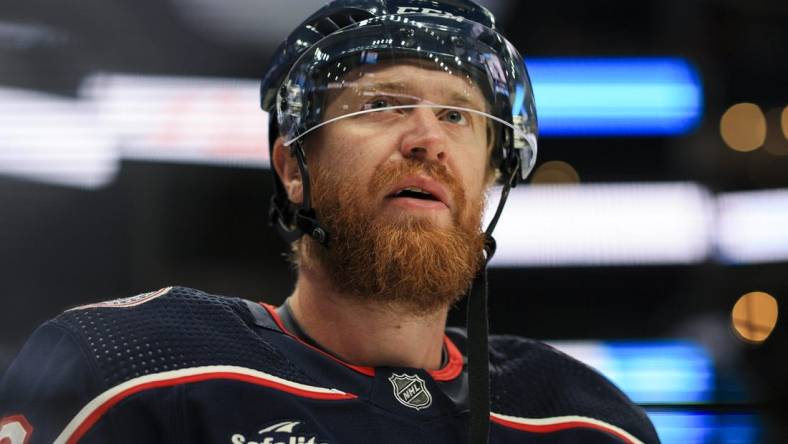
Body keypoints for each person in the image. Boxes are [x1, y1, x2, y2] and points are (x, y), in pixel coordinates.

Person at [0, 1, 660, 443]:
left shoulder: (589, 419)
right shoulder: (129, 366)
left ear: (493, 175)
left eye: (458, 115)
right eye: (382, 106)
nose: (427, 138)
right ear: (294, 168)